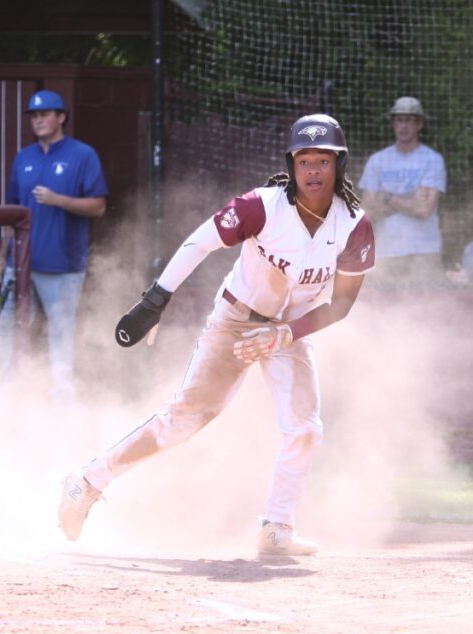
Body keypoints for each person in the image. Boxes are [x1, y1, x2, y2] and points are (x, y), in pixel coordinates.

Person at [57, 114, 375, 556]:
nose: (313, 171)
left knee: (304, 430)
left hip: (291, 331)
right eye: (304, 160)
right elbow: (200, 242)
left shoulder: (354, 224)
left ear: (340, 165)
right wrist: (156, 299)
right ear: (292, 164)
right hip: (236, 321)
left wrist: (287, 334)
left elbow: (340, 303)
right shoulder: (261, 206)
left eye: (323, 160)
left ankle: (276, 529)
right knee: (181, 422)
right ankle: (86, 482)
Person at [0, 90, 107, 402]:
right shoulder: (24, 158)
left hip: (63, 264)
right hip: (20, 263)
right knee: (7, 328)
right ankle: (5, 393)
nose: (39, 119)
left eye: (45, 114)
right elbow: (12, 211)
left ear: (61, 118)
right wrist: (3, 255)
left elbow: (98, 206)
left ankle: (62, 397)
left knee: (61, 331)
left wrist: (59, 200)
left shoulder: (82, 155)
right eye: (34, 115)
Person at [358, 97, 446, 283]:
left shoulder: (433, 160)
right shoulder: (377, 160)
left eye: (410, 120)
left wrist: (386, 197)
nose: (403, 126)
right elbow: (366, 214)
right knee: (387, 311)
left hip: (424, 252)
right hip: (385, 253)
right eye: (399, 119)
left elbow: (424, 210)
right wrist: (410, 201)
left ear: (420, 124)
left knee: (430, 309)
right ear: (393, 123)